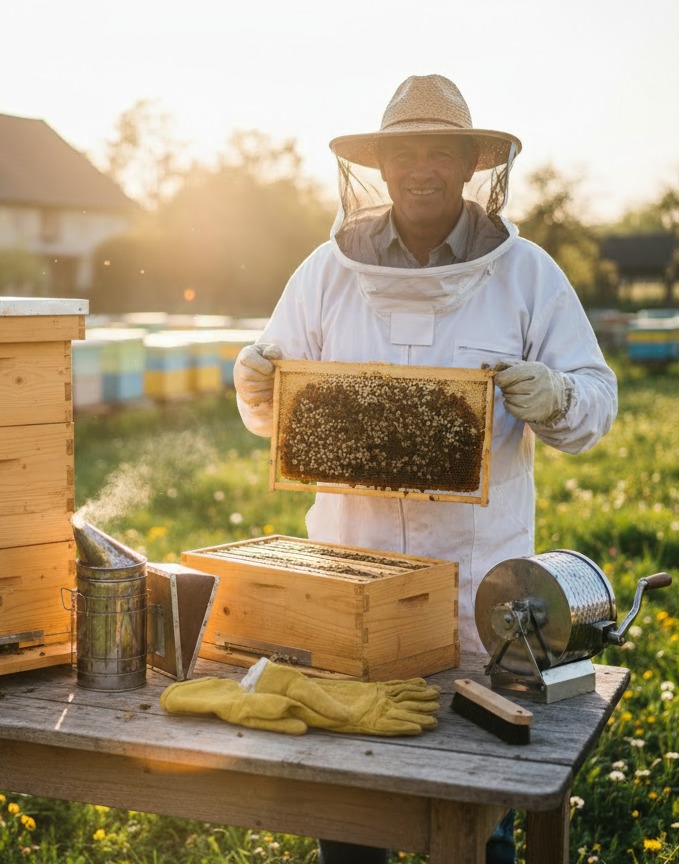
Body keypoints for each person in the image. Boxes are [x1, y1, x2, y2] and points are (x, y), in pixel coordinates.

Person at [232, 74, 618, 864]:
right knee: (348, 806)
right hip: (347, 578)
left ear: (473, 163)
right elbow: (275, 412)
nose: (420, 170)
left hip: (476, 590)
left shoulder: (528, 274)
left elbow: (596, 403)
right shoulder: (324, 272)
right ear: (379, 165)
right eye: (404, 153)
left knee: (478, 809)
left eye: (438, 151)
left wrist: (555, 396)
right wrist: (253, 384)